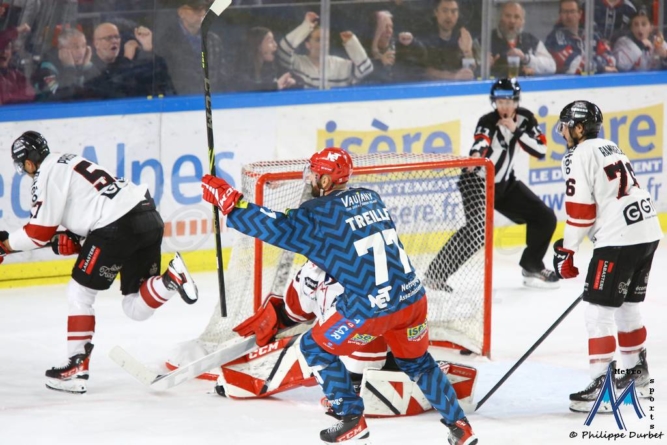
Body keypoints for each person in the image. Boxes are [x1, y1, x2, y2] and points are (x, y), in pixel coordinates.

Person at [201, 148, 477, 445]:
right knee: (420, 364)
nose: (310, 179)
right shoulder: (371, 197)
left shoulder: (318, 214)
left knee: (314, 348)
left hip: (370, 306)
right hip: (412, 297)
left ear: (325, 179)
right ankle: (459, 426)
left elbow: (275, 226)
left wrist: (231, 203)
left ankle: (350, 419)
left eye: (316, 175)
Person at [0, 131, 198, 394]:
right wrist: (73, 236)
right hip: (147, 215)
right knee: (134, 306)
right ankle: (171, 279)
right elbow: (91, 206)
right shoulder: (68, 161)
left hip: (115, 226)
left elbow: (38, 233)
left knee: (79, 292)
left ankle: (76, 368)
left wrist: (5, 244)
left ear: (27, 162)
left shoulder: (45, 173)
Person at [216, 259, 477, 417]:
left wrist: (275, 316)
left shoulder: (306, 273)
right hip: (387, 339)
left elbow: (294, 313)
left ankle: (352, 387)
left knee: (313, 348)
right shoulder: (369, 260)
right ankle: (403, 375)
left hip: (347, 347)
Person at [553, 101, 662, 412]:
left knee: (597, 313)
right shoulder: (609, 145)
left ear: (577, 128)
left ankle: (603, 387)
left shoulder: (576, 155)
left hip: (619, 239)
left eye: (565, 125)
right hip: (648, 229)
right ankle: (635, 374)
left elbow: (581, 212)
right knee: (628, 308)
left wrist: (567, 250)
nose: (562, 131)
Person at [424, 78, 559, 291]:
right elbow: (481, 139)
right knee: (477, 231)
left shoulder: (525, 119)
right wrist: (476, 155)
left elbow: (541, 150)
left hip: (505, 185)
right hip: (475, 182)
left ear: (516, 102)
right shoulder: (487, 120)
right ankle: (434, 276)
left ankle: (532, 265)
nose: (504, 106)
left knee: (545, 217)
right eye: (499, 101)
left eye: (508, 101)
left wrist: (516, 130)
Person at [278, 12, 373, 89]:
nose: (324, 43)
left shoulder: (340, 64)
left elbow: (366, 69)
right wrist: (306, 26)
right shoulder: (298, 63)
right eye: (318, 40)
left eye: (326, 40)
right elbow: (283, 50)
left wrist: (352, 43)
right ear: (308, 44)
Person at [153, 0, 228, 95]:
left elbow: (223, 77)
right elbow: (164, 80)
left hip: (212, 103)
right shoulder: (166, 42)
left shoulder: (214, 40)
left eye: (204, 9)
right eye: (196, 9)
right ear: (181, 12)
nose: (202, 13)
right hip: (180, 103)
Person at [84, 22, 174, 99]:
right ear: (96, 44)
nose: (114, 41)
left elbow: (159, 76)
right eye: (108, 38)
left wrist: (148, 48)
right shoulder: (90, 66)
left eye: (117, 37)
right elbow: (110, 88)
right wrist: (127, 58)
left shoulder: (128, 61)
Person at [545, 0, 617, 75]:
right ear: (560, 15)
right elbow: (574, 65)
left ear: (580, 14)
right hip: (568, 85)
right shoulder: (555, 38)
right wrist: (602, 67)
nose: (569, 16)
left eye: (572, 11)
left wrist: (593, 66)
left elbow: (611, 59)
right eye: (565, 12)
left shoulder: (591, 34)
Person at [490, 1, 556, 78]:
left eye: (516, 17)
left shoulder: (531, 41)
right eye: (508, 16)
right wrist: (483, 66)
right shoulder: (486, 41)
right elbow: (474, 70)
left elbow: (552, 66)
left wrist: (526, 59)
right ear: (500, 18)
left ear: (522, 22)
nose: (512, 21)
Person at [364, 10, 426, 84]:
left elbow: (423, 57)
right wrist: (380, 62)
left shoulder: (398, 45)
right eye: (384, 27)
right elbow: (362, 72)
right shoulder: (363, 49)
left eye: (391, 27)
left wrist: (413, 42)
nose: (389, 31)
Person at [422, 0, 479, 81]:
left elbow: (471, 72)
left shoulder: (463, 36)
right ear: (436, 12)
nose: (449, 16)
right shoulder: (425, 37)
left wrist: (468, 52)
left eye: (453, 11)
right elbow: (426, 71)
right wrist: (454, 77)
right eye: (445, 11)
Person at [32, 28, 93, 101]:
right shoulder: (46, 70)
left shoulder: (82, 63)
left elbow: (101, 91)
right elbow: (61, 96)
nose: (81, 52)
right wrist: (69, 67)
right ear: (61, 49)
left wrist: (87, 66)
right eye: (76, 47)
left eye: (83, 46)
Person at [230, 26, 296, 92]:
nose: (275, 45)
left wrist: (290, 82)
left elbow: (293, 79)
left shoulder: (274, 68)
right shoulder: (238, 71)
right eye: (270, 41)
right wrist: (274, 86)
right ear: (258, 46)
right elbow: (245, 86)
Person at [0, 24, 35, 104]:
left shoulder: (17, 76)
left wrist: (8, 99)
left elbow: (30, 95)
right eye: (1, 49)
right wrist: (16, 31)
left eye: (7, 48)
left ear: (12, 52)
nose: (4, 53)